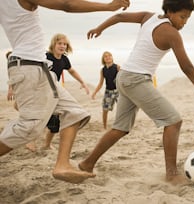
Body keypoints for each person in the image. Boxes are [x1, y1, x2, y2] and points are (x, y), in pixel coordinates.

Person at [79, 0, 194, 184]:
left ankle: (87, 163)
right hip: (136, 79)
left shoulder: (148, 17)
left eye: (188, 18)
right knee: (173, 121)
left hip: (124, 77)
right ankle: (172, 174)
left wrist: (99, 28)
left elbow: (119, 16)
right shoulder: (171, 33)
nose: (184, 22)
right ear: (170, 11)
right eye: (182, 17)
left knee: (120, 128)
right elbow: (186, 66)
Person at [0, 0, 130, 184]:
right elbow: (67, 4)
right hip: (30, 66)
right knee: (28, 128)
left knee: (75, 114)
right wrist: (108, 7)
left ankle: (62, 165)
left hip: (38, 67)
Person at [43, 33, 90, 150]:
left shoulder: (64, 59)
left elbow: (72, 71)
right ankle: (31, 142)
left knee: (55, 122)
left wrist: (82, 82)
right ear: (54, 44)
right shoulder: (45, 57)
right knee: (37, 117)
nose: (62, 46)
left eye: (65, 44)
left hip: (54, 92)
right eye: (60, 43)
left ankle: (47, 145)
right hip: (42, 91)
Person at [91, 51, 120, 129]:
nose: (108, 57)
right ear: (103, 59)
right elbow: (101, 83)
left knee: (121, 109)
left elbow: (123, 79)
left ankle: (120, 125)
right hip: (108, 92)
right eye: (106, 56)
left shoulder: (117, 67)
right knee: (105, 109)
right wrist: (94, 93)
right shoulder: (103, 70)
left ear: (112, 57)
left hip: (118, 91)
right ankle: (104, 127)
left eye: (109, 55)